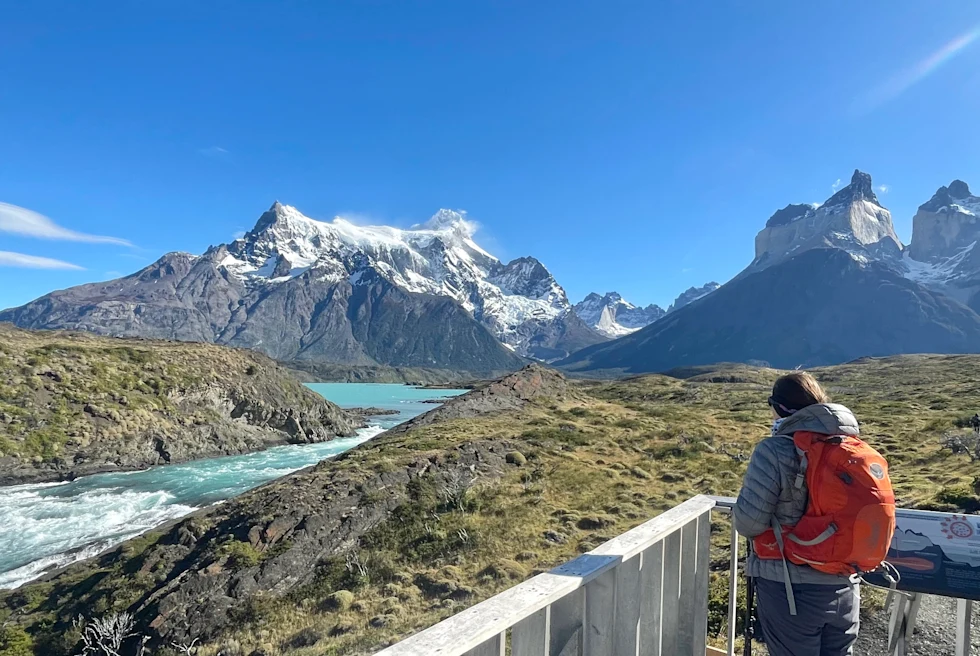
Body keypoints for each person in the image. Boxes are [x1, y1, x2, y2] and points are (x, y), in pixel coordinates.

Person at [733, 372, 861, 656]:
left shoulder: (773, 450)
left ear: (779, 407)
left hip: (791, 590)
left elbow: (749, 523)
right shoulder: (850, 447)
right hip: (845, 584)